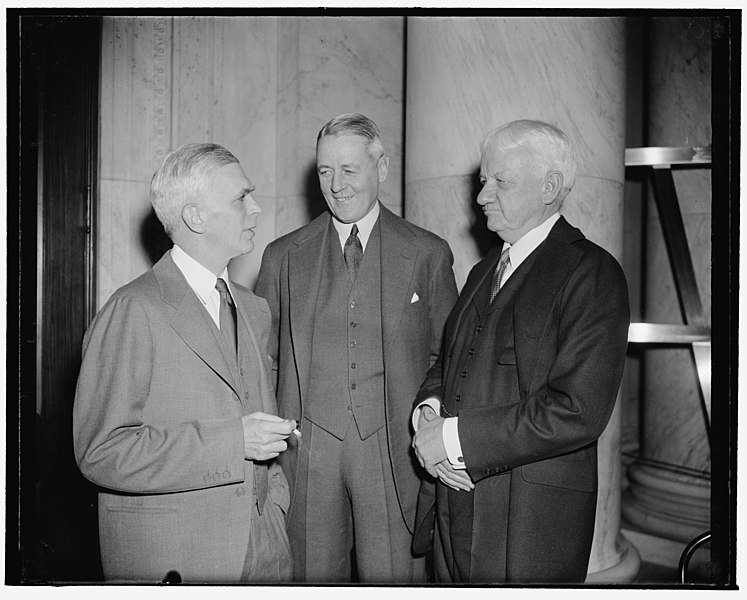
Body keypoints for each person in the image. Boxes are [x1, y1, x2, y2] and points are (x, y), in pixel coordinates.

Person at [411, 120, 630, 583]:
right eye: (484, 181)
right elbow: (450, 365)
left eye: (500, 182)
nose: (482, 196)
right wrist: (428, 415)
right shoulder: (484, 268)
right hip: (454, 509)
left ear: (549, 187)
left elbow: (577, 410)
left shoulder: (592, 273)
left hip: (529, 524)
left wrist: (452, 440)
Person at [73, 143, 296, 583]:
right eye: (240, 198)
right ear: (195, 217)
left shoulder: (253, 308)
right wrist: (234, 442)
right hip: (178, 561)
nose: (255, 210)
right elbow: (101, 451)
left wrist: (275, 510)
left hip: (264, 554)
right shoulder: (133, 309)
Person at [255, 113, 458, 583]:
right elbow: (261, 359)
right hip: (308, 452)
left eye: (349, 170)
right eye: (326, 171)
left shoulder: (428, 253)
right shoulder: (282, 256)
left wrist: (429, 419)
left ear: (381, 168)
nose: (336, 184)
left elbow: (447, 358)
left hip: (392, 453)